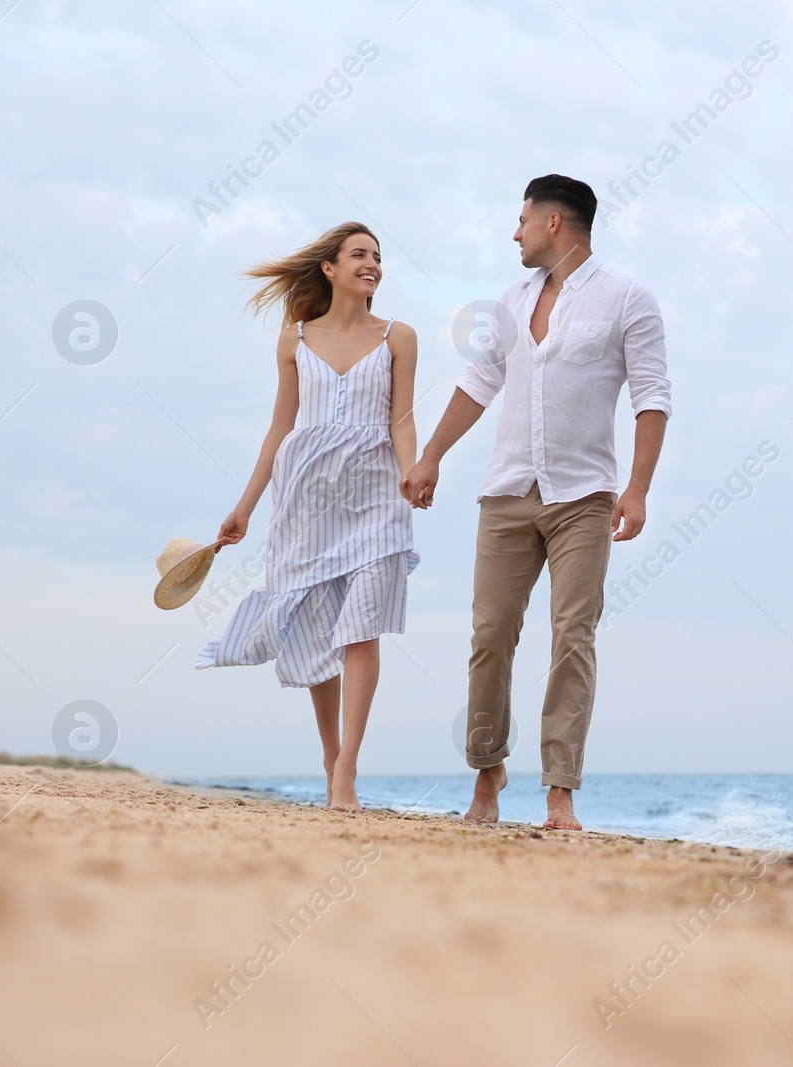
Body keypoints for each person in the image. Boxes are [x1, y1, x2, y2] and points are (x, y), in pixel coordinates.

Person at [404, 175, 670, 831]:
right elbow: (479, 380)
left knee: (572, 637)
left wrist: (637, 487)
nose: (513, 231)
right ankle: (487, 773)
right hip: (506, 492)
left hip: (585, 498)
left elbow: (653, 396)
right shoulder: (511, 300)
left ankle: (559, 795)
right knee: (490, 635)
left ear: (554, 223)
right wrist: (432, 452)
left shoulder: (627, 298)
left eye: (521, 219)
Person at [196, 222, 420, 812]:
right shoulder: (293, 340)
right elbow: (280, 429)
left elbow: (401, 420)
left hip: (377, 496)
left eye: (377, 256)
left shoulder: (399, 337)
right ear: (330, 267)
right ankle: (329, 755)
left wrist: (413, 472)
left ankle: (346, 769)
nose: (372, 264)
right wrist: (243, 508)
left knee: (363, 627)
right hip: (306, 499)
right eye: (359, 254)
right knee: (319, 633)